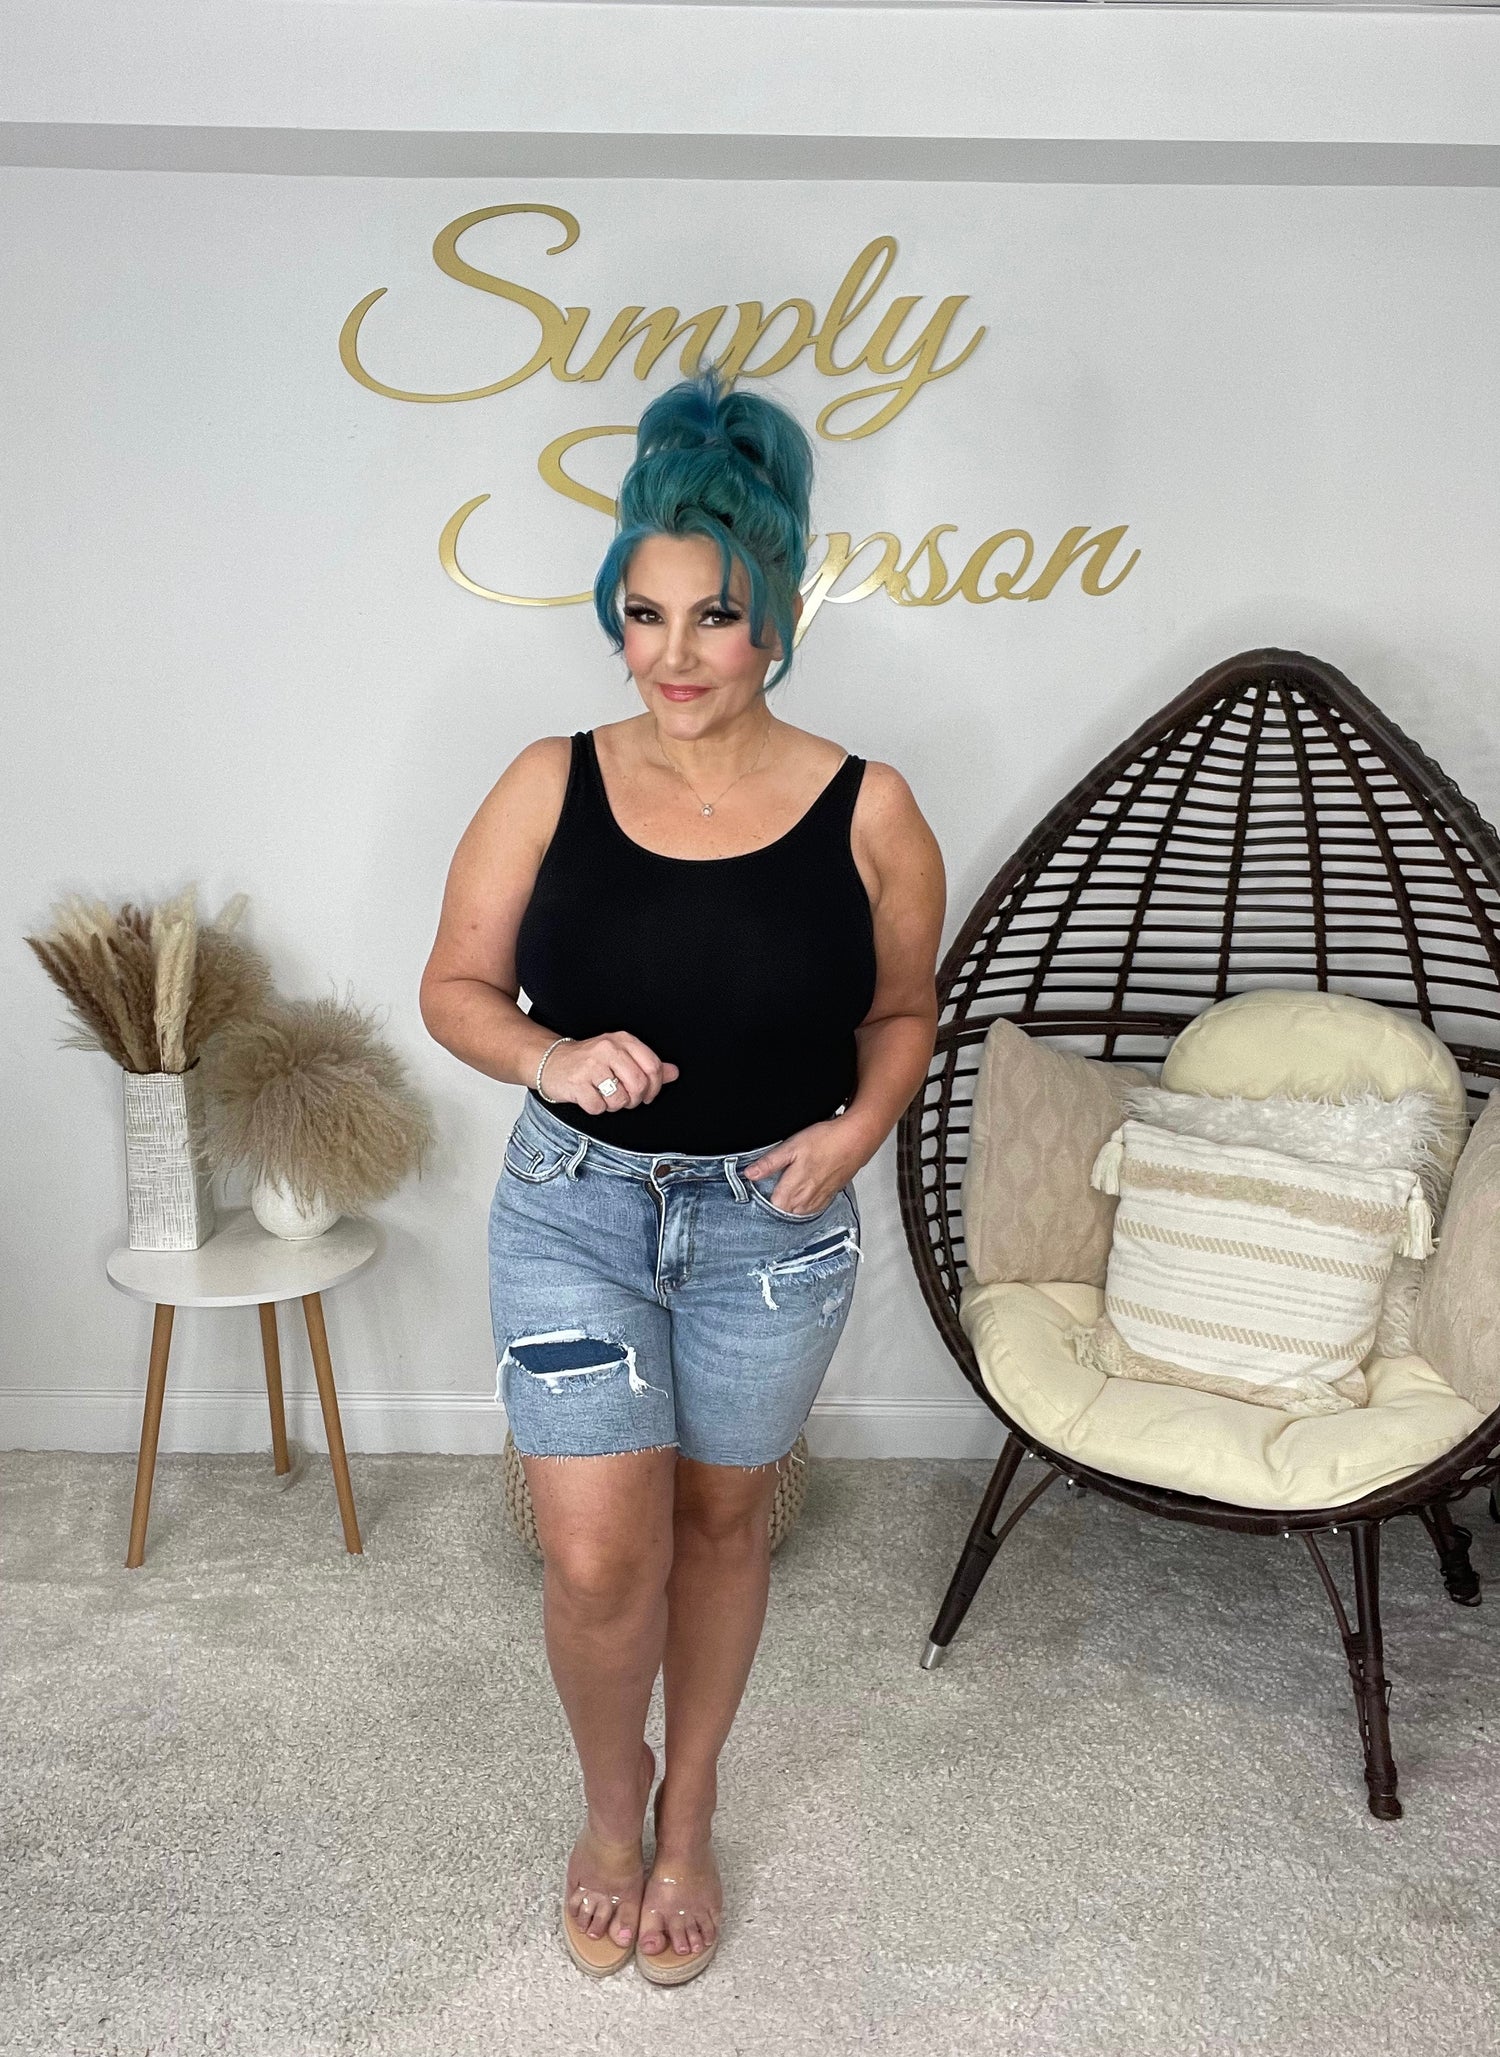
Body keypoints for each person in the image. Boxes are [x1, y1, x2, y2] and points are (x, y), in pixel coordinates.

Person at [419, 365, 944, 1985]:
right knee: (596, 1553)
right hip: (574, 1205)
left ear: (774, 617)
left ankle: (691, 1807)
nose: (674, 655)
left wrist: (855, 1133)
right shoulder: (548, 777)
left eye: (713, 617)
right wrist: (549, 1056)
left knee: (723, 1525)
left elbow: (904, 1013)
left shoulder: (871, 808)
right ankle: (611, 1803)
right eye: (642, 616)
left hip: (771, 1227)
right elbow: (454, 988)